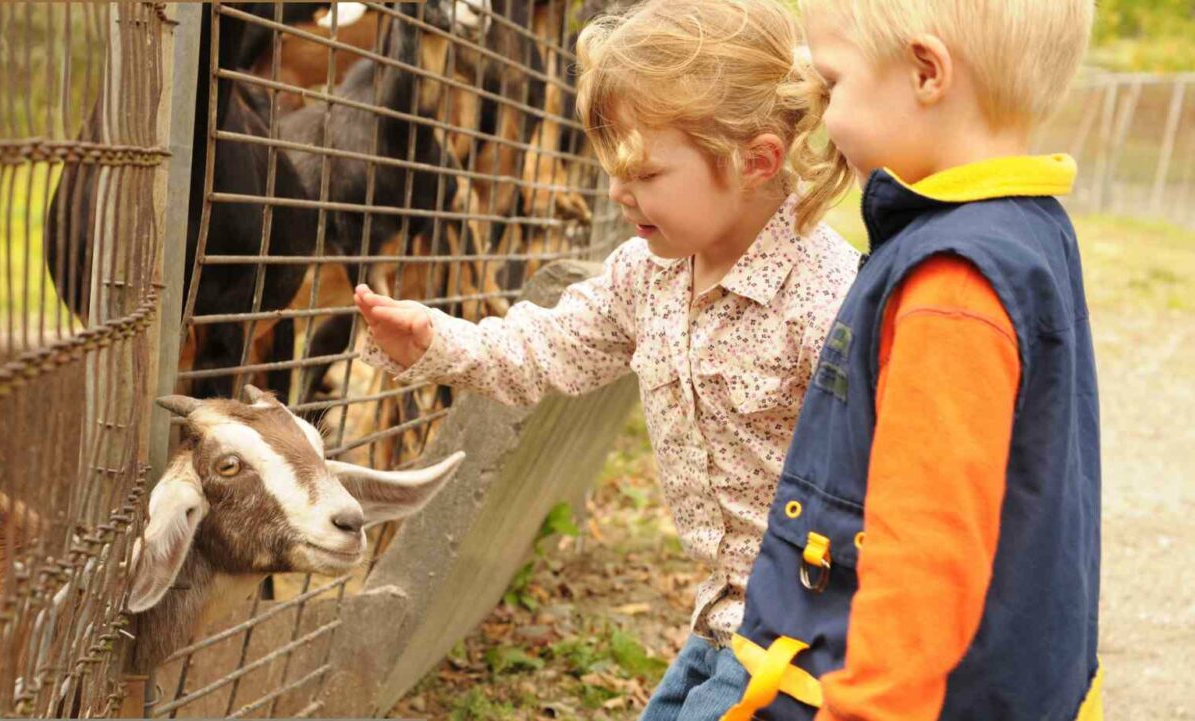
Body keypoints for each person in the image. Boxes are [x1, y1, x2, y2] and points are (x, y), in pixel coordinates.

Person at [355, 1, 859, 718]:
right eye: (613, 171)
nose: (619, 194)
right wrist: (439, 342)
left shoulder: (827, 300)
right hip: (720, 613)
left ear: (757, 160)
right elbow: (546, 349)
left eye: (646, 174)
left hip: (801, 630)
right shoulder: (647, 274)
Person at [720, 2, 1102, 720]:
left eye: (833, 86)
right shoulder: (1030, 228)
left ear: (925, 72)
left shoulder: (951, 284)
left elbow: (925, 555)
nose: (824, 118)